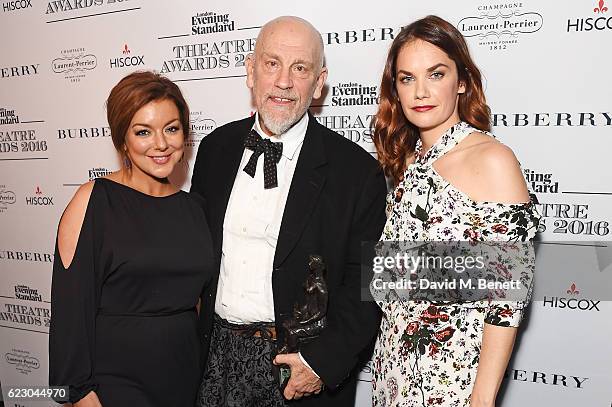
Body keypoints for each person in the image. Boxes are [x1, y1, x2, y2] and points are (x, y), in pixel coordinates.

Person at [190, 16, 387, 407]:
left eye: (300, 68)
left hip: (297, 366)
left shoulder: (356, 171)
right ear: (250, 71)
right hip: (212, 359)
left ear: (319, 82)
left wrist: (321, 363)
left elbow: (368, 282)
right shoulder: (214, 150)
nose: (283, 81)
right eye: (271, 63)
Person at [371, 15, 540, 407]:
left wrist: (482, 398)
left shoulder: (491, 158)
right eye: (407, 78)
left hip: (452, 381)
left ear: (461, 81)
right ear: (395, 89)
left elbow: (508, 293)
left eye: (436, 73)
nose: (421, 91)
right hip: (393, 371)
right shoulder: (409, 162)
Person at [49, 71, 213, 407]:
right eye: (143, 132)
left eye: (172, 128)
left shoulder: (194, 209)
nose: (161, 144)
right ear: (122, 139)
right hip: (115, 383)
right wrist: (79, 394)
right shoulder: (94, 201)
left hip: (184, 377)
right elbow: (70, 315)